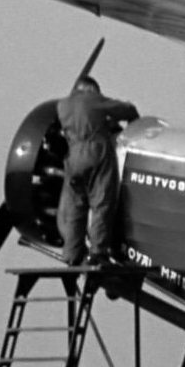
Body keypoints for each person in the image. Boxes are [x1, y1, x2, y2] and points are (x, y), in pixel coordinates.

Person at [55, 74, 139, 267]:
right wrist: (133, 123)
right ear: (90, 89)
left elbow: (81, 121)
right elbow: (126, 109)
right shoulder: (92, 99)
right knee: (102, 202)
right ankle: (98, 252)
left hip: (73, 157)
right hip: (95, 152)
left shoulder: (62, 106)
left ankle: (72, 253)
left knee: (76, 205)